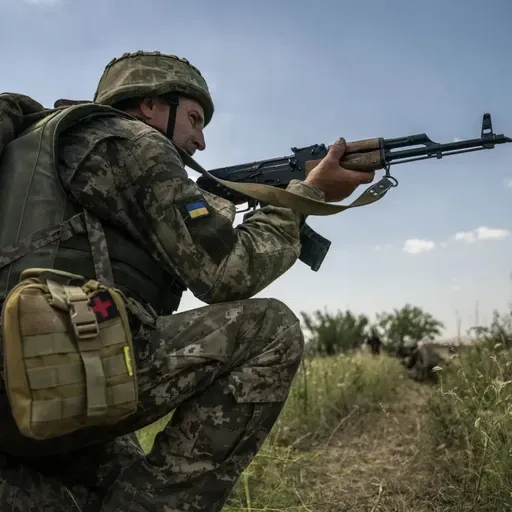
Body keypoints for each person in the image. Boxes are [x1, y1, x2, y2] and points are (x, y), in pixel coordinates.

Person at [0, 51, 375, 511]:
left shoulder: (36, 147)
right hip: (56, 371)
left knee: (116, 480)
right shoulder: (131, 141)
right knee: (269, 330)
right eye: (195, 120)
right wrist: (307, 196)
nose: (199, 142)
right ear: (151, 105)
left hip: (24, 386)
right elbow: (227, 273)